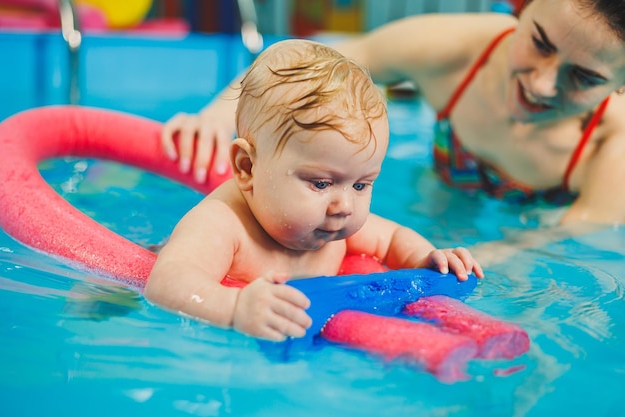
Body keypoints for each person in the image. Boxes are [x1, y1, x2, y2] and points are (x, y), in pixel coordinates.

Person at [161, 0, 625, 225]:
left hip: (523, 231)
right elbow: (308, 58)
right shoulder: (461, 50)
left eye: (584, 78)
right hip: (438, 199)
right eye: (539, 42)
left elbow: (562, 248)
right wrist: (216, 117)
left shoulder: (614, 145)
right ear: (520, 10)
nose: (542, 83)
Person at [146, 39, 484, 342]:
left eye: (361, 184)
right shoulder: (222, 224)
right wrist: (234, 307)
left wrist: (428, 259)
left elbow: (393, 238)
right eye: (321, 183)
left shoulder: (334, 225)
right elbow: (167, 281)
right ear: (248, 167)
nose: (344, 205)